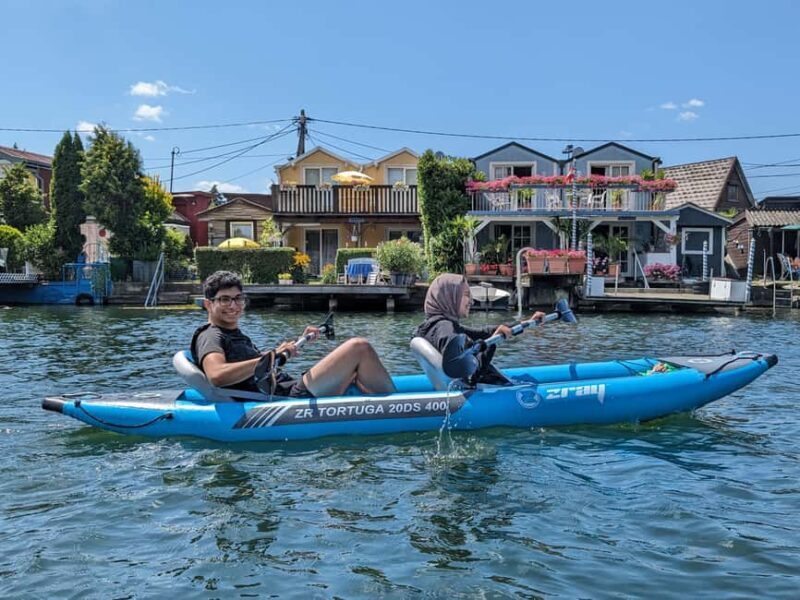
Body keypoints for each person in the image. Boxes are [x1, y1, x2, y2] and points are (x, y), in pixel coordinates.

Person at [192, 270, 396, 398]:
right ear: (208, 304)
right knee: (358, 347)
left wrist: (290, 346)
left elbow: (262, 367)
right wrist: (271, 355)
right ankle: (400, 407)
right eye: (225, 300)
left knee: (355, 366)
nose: (233, 305)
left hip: (286, 387)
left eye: (238, 298)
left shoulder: (232, 333)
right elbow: (217, 375)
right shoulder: (211, 336)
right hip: (288, 397)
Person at [413, 273, 545, 383]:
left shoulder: (433, 327)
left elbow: (483, 333)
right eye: (465, 295)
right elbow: (470, 375)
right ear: (449, 297)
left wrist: (526, 323)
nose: (471, 301)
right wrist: (493, 342)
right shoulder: (444, 328)